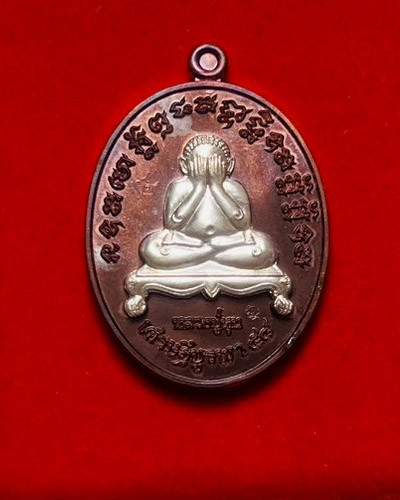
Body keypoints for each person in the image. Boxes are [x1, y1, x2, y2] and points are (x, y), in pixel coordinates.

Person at [139, 135, 277, 270]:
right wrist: (198, 188)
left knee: (266, 247)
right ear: (184, 165)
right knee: (149, 248)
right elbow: (173, 224)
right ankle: (211, 254)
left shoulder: (232, 187)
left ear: (229, 165)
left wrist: (217, 187)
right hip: (186, 242)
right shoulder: (179, 187)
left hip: (230, 241)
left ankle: (200, 256)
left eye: (213, 164)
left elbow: (243, 224)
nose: (206, 170)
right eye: (199, 164)